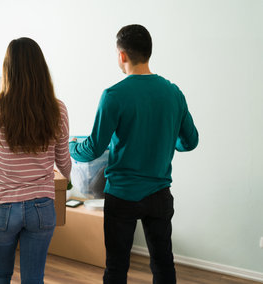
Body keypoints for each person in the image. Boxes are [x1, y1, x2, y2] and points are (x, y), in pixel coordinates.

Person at [69, 24, 199, 284]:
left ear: (122, 55)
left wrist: (72, 146)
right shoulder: (173, 93)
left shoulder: (113, 95)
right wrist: (164, 139)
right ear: (148, 52)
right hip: (159, 194)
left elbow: (94, 147)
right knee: (163, 264)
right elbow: (190, 141)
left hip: (122, 196)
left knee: (116, 268)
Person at [0, 37, 71, 284]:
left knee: (0, 274)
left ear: (8, 70)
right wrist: (66, 177)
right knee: (33, 278)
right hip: (42, 206)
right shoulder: (57, 110)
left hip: (2, 206)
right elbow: (63, 160)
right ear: (41, 69)